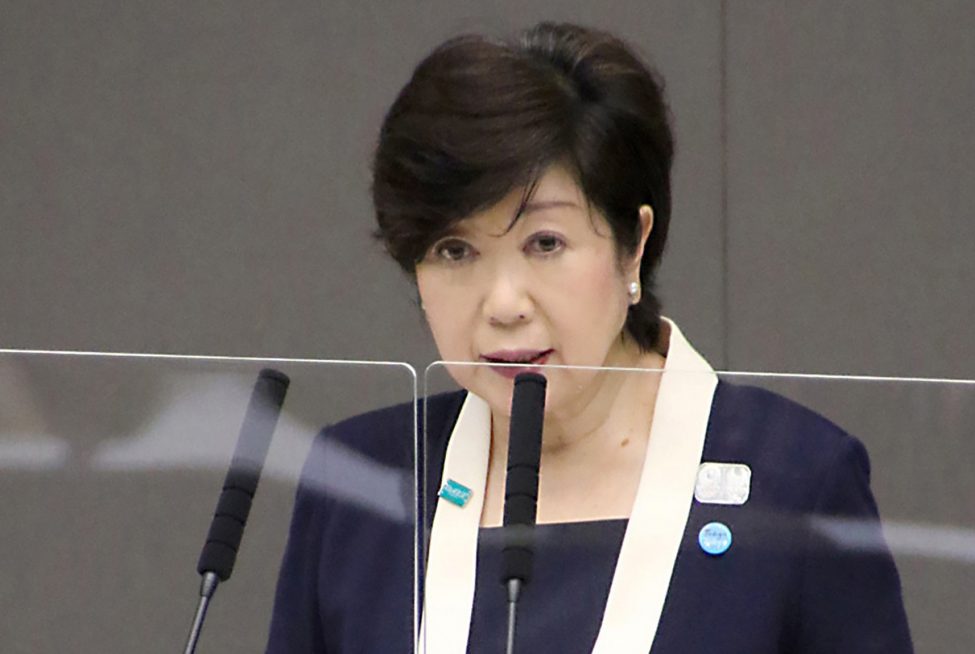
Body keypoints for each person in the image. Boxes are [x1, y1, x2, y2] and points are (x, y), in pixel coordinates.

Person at [266, 22, 913, 653]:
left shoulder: (796, 480)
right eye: (455, 249)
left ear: (632, 247)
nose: (503, 303)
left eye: (545, 243)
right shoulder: (357, 481)